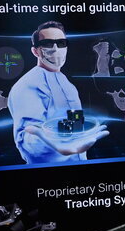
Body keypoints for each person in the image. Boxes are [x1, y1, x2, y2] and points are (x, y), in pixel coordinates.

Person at [8, 21, 107, 164]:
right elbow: (27, 140)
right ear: (35, 51)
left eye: (61, 43)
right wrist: (57, 145)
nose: (56, 49)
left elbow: (75, 125)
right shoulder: (28, 85)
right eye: (48, 44)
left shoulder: (68, 85)